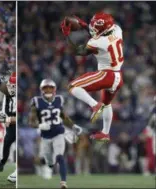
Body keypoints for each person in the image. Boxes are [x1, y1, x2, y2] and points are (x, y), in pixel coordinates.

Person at [61, 12, 124, 141]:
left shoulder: (97, 42)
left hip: (107, 75)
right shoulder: (117, 30)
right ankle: (105, 133)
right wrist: (84, 25)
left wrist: (67, 35)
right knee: (107, 104)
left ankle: (94, 105)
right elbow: (100, 35)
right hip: (118, 77)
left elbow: (77, 51)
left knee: (72, 86)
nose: (92, 29)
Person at [29, 79, 83, 189]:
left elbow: (64, 116)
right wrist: (39, 126)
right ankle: (46, 165)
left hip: (59, 133)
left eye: (50, 88)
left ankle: (63, 183)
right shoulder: (36, 101)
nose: (48, 90)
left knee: (60, 157)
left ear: (54, 89)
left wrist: (73, 126)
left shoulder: (59, 99)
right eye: (45, 88)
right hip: (45, 136)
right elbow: (31, 122)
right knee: (50, 162)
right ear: (41, 90)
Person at [0, 72, 17, 183]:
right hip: (11, 125)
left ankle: (17, 171)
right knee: (7, 142)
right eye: (10, 85)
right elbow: (3, 110)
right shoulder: (7, 95)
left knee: (18, 147)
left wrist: (11, 119)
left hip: (18, 123)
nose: (11, 88)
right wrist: (5, 118)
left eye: (13, 86)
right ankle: (2, 162)